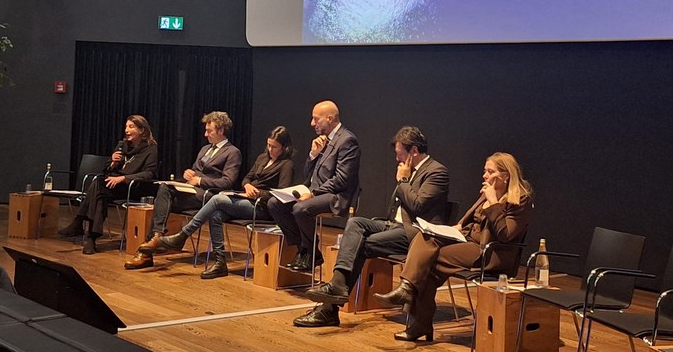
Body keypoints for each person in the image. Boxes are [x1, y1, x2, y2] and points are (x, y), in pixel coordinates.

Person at [295, 126, 449, 328]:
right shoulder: (409, 169)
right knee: (355, 223)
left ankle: (330, 307)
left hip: (416, 233)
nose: (397, 158)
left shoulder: (437, 171)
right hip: (393, 225)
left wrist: (403, 180)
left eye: (400, 153)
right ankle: (336, 288)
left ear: (413, 151)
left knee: (361, 245)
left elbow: (418, 206)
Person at [373, 152, 533, 342]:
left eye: (490, 172)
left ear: (506, 175)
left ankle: (415, 308)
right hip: (466, 240)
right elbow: (468, 221)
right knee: (425, 237)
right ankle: (409, 293)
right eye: (485, 171)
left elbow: (505, 235)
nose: (484, 175)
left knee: (428, 262)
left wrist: (493, 203)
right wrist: (452, 229)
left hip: (490, 252)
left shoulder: (520, 199)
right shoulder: (488, 191)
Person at [137, 126, 296, 279]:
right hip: (247, 199)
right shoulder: (262, 158)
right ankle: (220, 262)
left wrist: (258, 193)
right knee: (216, 214)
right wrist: (247, 185)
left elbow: (282, 194)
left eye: (274, 147)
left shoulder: (286, 165)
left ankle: (183, 235)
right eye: (268, 145)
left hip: (262, 206)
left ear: (284, 148)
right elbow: (247, 178)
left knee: (218, 199)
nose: (270, 149)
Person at [125, 111, 242, 270]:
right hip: (193, 191)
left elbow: (228, 182)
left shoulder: (232, 152)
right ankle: (156, 238)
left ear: (221, 131)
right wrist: (189, 174)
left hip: (210, 195)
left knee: (162, 202)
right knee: (164, 189)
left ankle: (149, 248)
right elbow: (196, 171)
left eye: (209, 131)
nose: (205, 134)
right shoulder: (205, 149)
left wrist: (199, 180)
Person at [267, 100, 360, 272]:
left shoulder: (347, 141)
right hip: (315, 193)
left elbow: (342, 180)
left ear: (330, 119)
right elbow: (308, 175)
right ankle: (305, 249)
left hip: (337, 196)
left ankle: (309, 251)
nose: (312, 123)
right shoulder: (323, 141)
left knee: (301, 208)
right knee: (274, 203)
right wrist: (313, 154)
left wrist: (314, 193)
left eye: (316, 119)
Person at [57, 115, 158, 254]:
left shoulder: (151, 148)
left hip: (134, 187)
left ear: (141, 130)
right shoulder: (122, 145)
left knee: (98, 185)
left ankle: (80, 223)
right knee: (100, 193)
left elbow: (149, 173)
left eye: (131, 127)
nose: (126, 130)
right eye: (126, 127)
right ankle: (91, 238)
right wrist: (112, 162)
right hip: (114, 185)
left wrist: (123, 178)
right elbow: (106, 170)